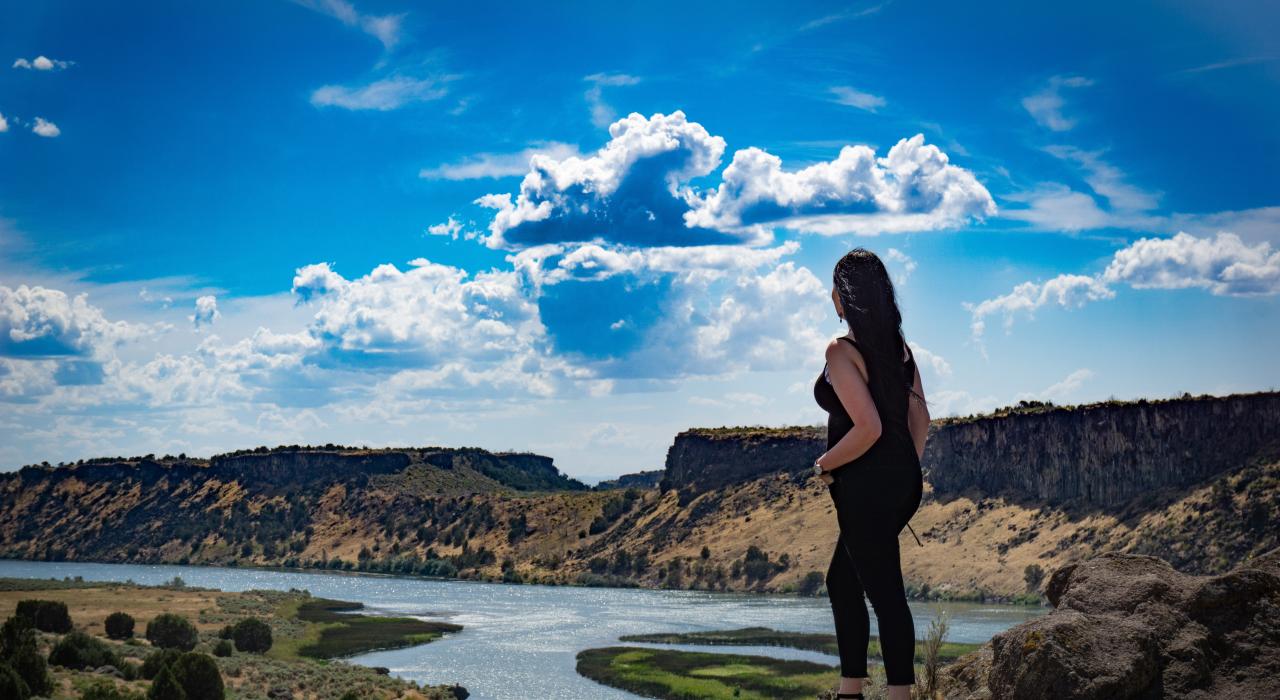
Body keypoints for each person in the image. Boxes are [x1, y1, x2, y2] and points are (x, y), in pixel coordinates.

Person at [812, 247, 929, 700]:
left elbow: (869, 427)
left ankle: (897, 694)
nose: (831, 299)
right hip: (902, 483)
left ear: (845, 297)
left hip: (866, 487)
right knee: (843, 581)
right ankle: (850, 689)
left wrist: (825, 464)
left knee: (885, 595)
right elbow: (921, 422)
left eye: (834, 291)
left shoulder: (840, 351)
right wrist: (904, 469)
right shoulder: (898, 348)